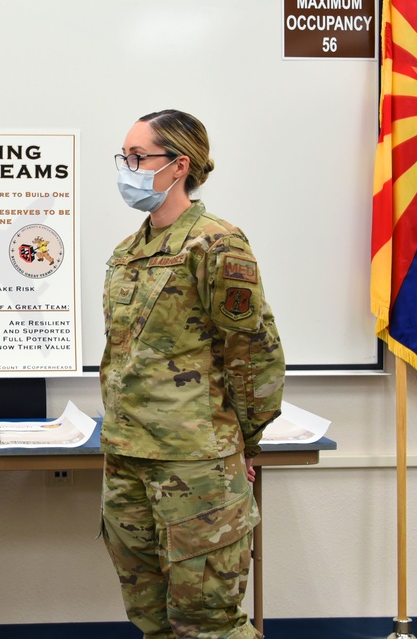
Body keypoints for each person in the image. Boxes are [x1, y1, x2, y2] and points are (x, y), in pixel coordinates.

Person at [99, 109, 285, 639]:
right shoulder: (128, 253)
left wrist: (243, 442)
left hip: (197, 465)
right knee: (151, 619)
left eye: (138, 158)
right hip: (128, 460)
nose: (127, 168)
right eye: (124, 157)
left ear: (179, 165)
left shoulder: (215, 244)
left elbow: (253, 351)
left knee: (208, 625)